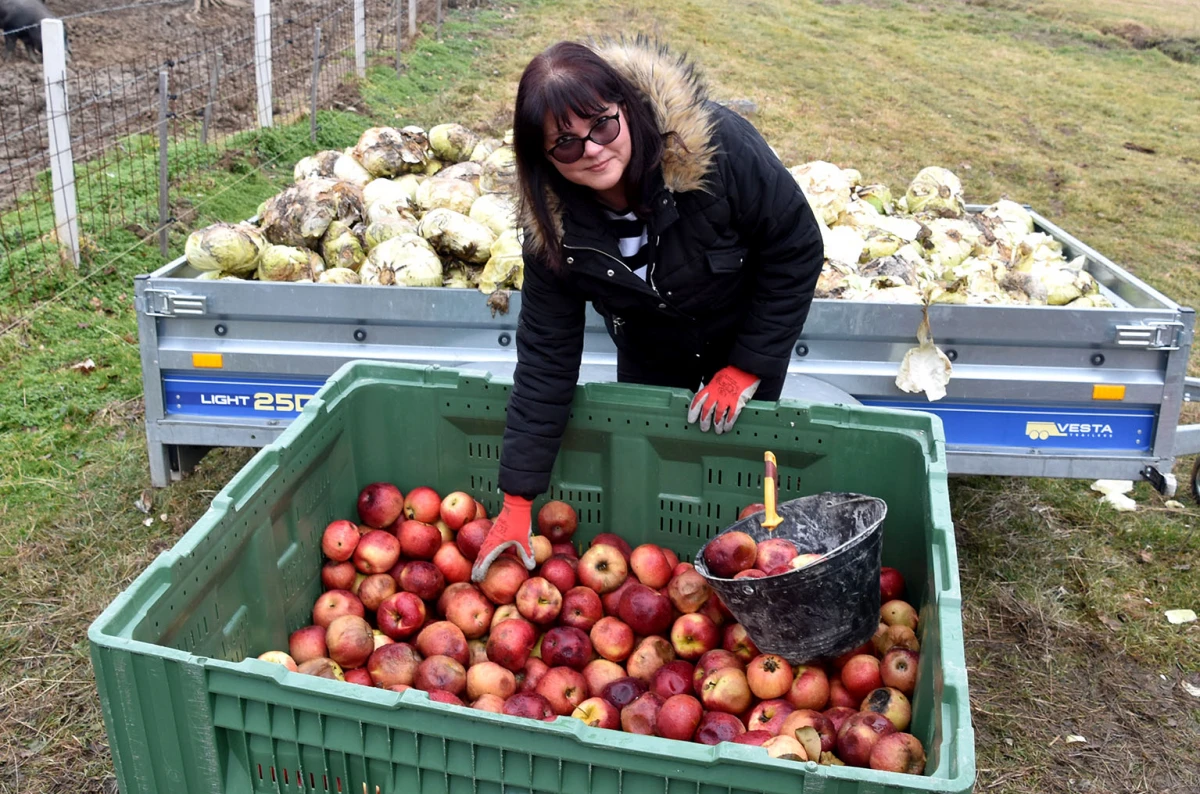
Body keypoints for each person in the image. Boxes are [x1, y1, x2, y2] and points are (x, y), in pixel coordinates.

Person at [471, 36, 823, 581]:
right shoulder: (553, 231)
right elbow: (546, 355)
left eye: (602, 126)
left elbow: (795, 245)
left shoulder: (716, 151)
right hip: (649, 352)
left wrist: (749, 364)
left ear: (626, 109)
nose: (590, 149)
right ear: (543, 158)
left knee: (744, 495)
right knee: (661, 483)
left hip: (742, 339)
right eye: (565, 144)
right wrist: (517, 500)